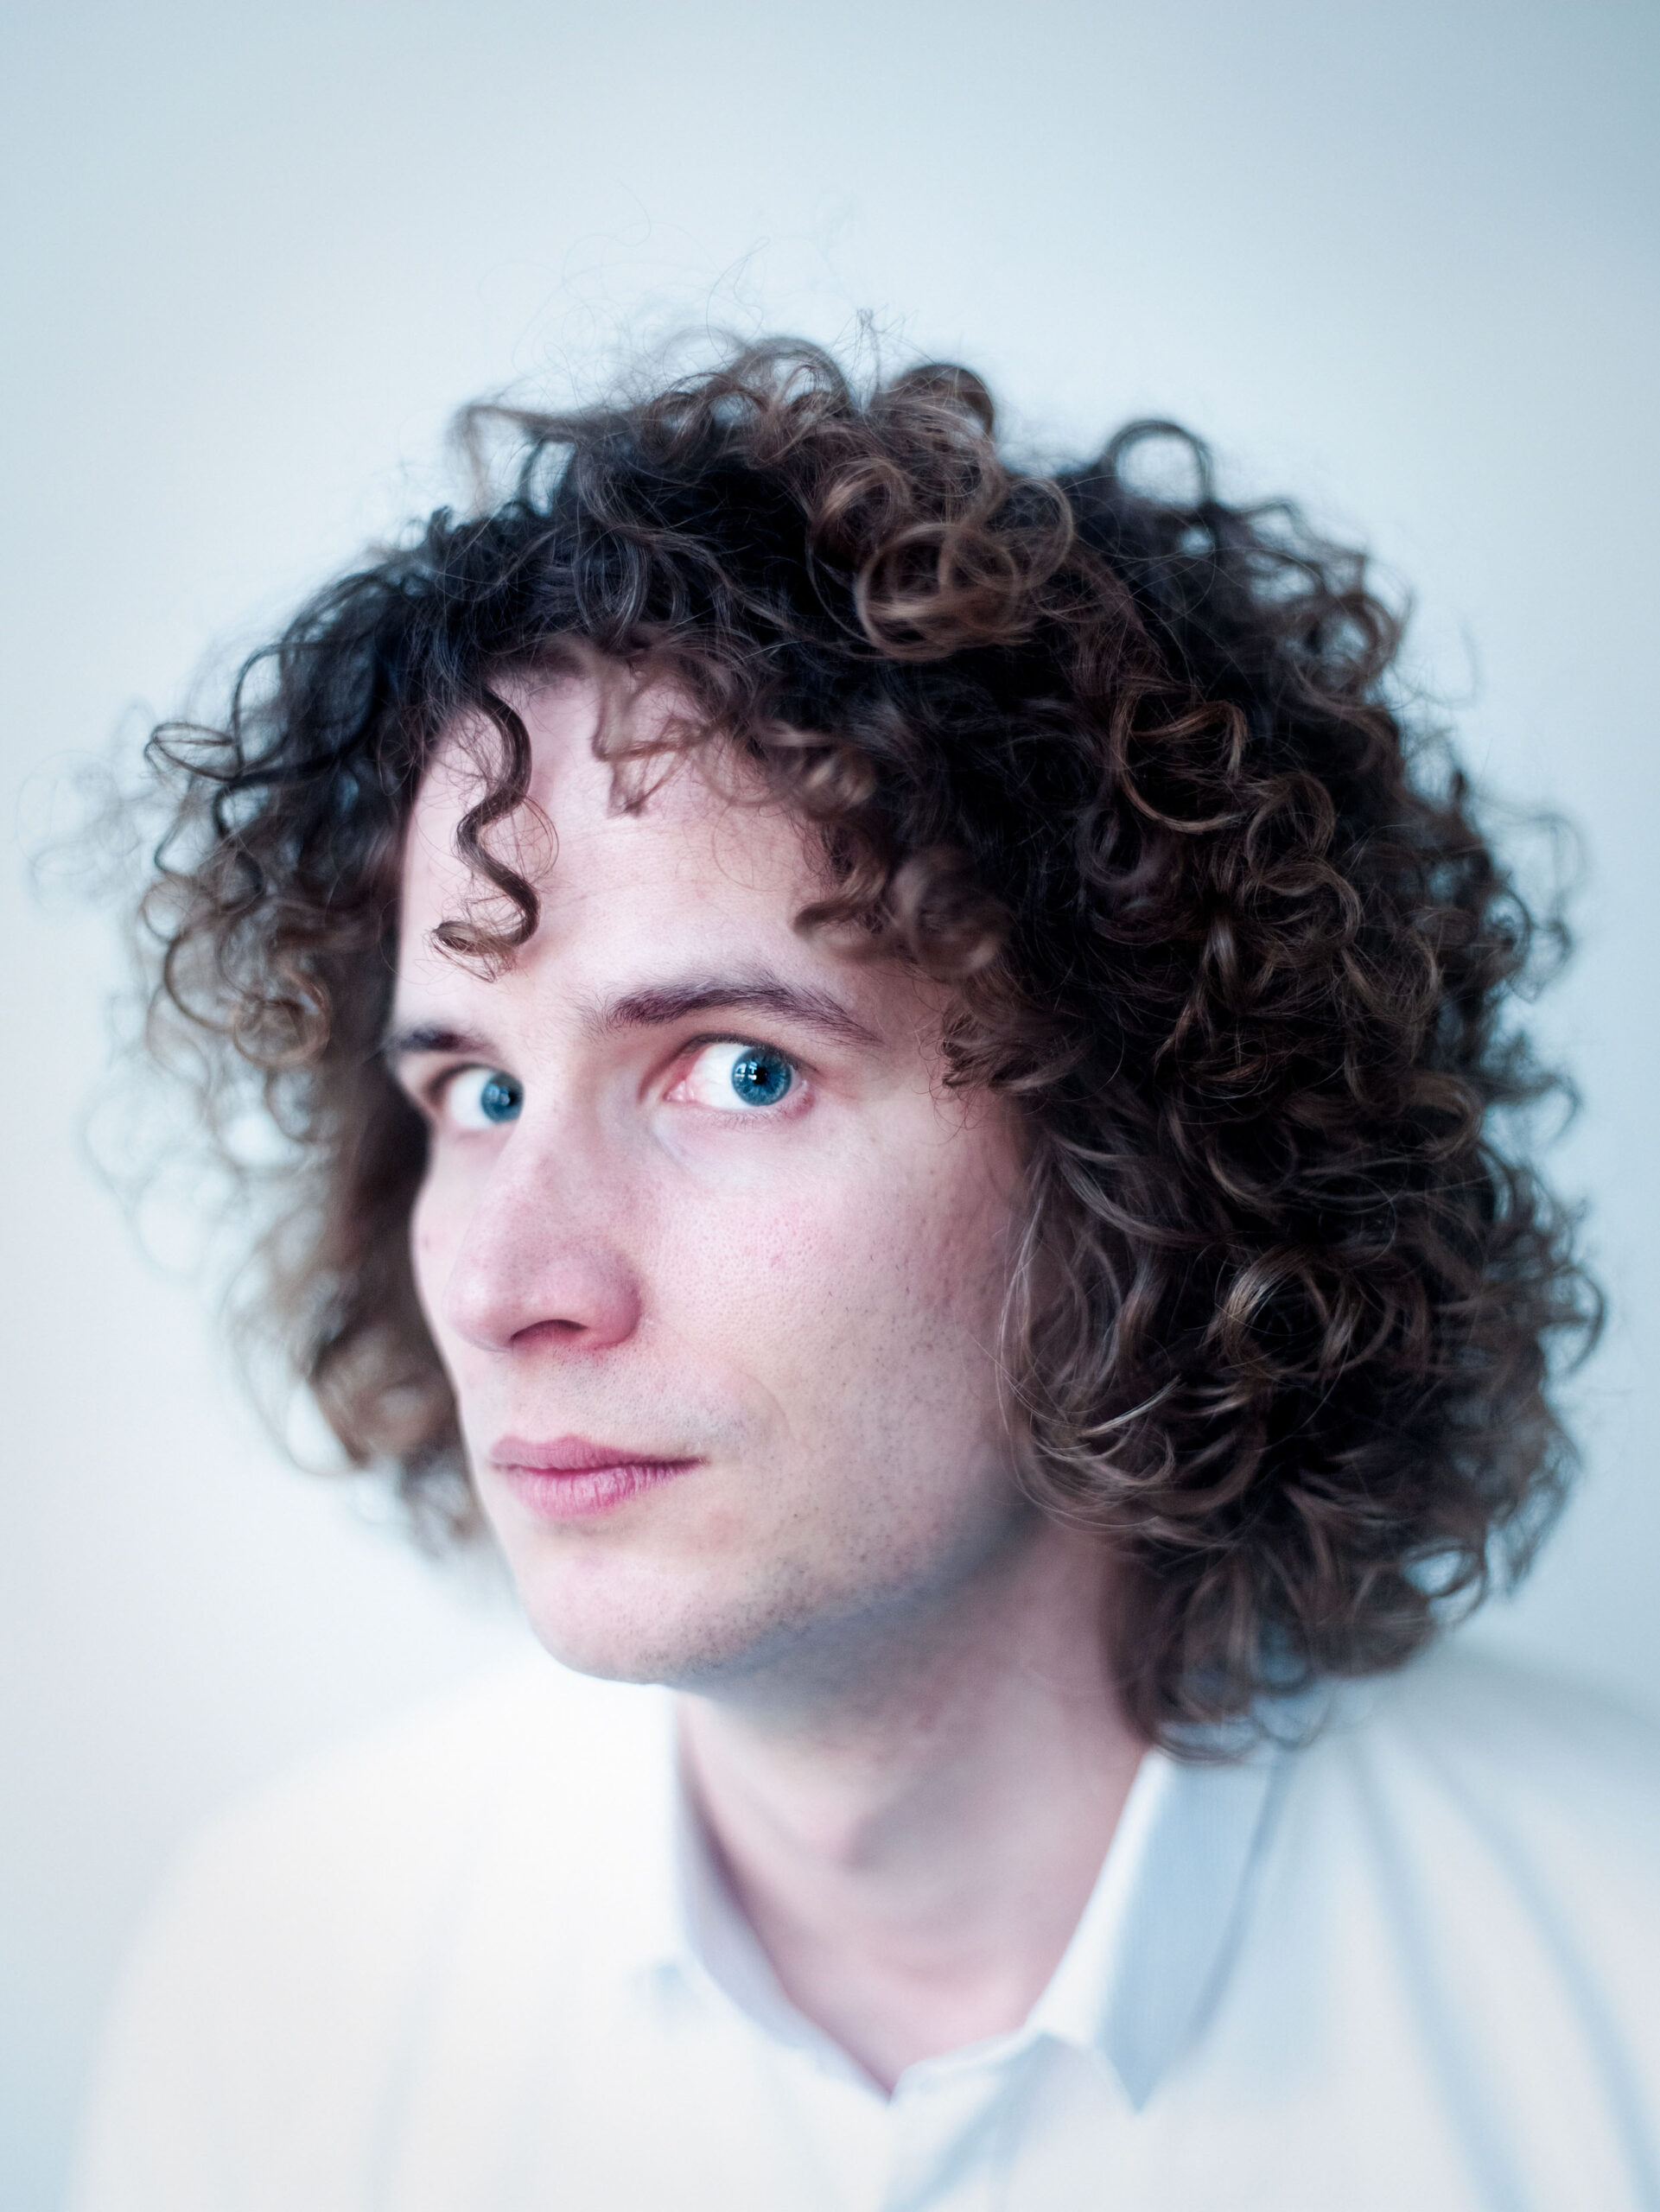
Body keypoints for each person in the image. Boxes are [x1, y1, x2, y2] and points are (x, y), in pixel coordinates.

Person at [72, 342, 1659, 2211]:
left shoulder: (1617, 1985)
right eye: (477, 1091)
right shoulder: (275, 1998)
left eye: (741, 1071)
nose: (508, 1282)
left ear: (1147, 1149)